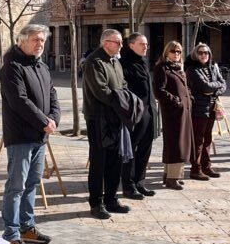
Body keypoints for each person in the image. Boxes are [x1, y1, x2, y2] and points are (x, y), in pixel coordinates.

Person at [0, 24, 60, 244]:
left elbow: (53, 95)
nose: (40, 44)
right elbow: (20, 101)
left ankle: (27, 227)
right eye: (35, 39)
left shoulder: (42, 66)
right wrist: (44, 120)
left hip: (40, 136)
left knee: (33, 183)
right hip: (21, 136)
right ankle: (11, 236)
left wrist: (54, 118)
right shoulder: (12, 67)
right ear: (21, 40)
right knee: (16, 186)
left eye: (42, 40)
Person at [82, 29, 129, 219]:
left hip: (115, 118)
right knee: (99, 162)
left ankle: (111, 199)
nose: (120, 45)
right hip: (98, 119)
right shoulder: (95, 61)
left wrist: (124, 102)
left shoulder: (115, 61)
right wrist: (122, 102)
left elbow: (123, 85)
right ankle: (96, 203)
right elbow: (101, 91)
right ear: (105, 42)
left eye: (121, 42)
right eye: (117, 42)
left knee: (114, 160)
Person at [152, 40, 195, 189]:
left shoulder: (178, 69)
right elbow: (159, 91)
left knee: (181, 143)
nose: (176, 54)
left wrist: (189, 98)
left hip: (184, 112)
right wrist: (176, 101)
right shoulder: (162, 68)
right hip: (172, 113)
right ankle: (172, 178)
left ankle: (170, 175)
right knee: (175, 144)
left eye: (179, 52)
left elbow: (185, 87)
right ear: (166, 52)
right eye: (173, 51)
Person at [119, 32, 156, 198]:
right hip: (134, 114)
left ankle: (140, 182)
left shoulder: (144, 61)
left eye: (146, 44)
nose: (145, 47)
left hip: (149, 112)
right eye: (142, 44)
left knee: (145, 149)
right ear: (131, 45)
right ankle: (128, 185)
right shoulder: (123, 64)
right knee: (131, 150)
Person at [184, 42, 226, 180]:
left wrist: (213, 90)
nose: (204, 55)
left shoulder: (213, 67)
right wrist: (213, 88)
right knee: (198, 140)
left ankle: (206, 166)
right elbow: (204, 86)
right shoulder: (192, 69)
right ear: (196, 54)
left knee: (208, 138)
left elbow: (223, 84)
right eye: (201, 52)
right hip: (199, 109)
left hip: (212, 107)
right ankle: (195, 169)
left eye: (206, 52)